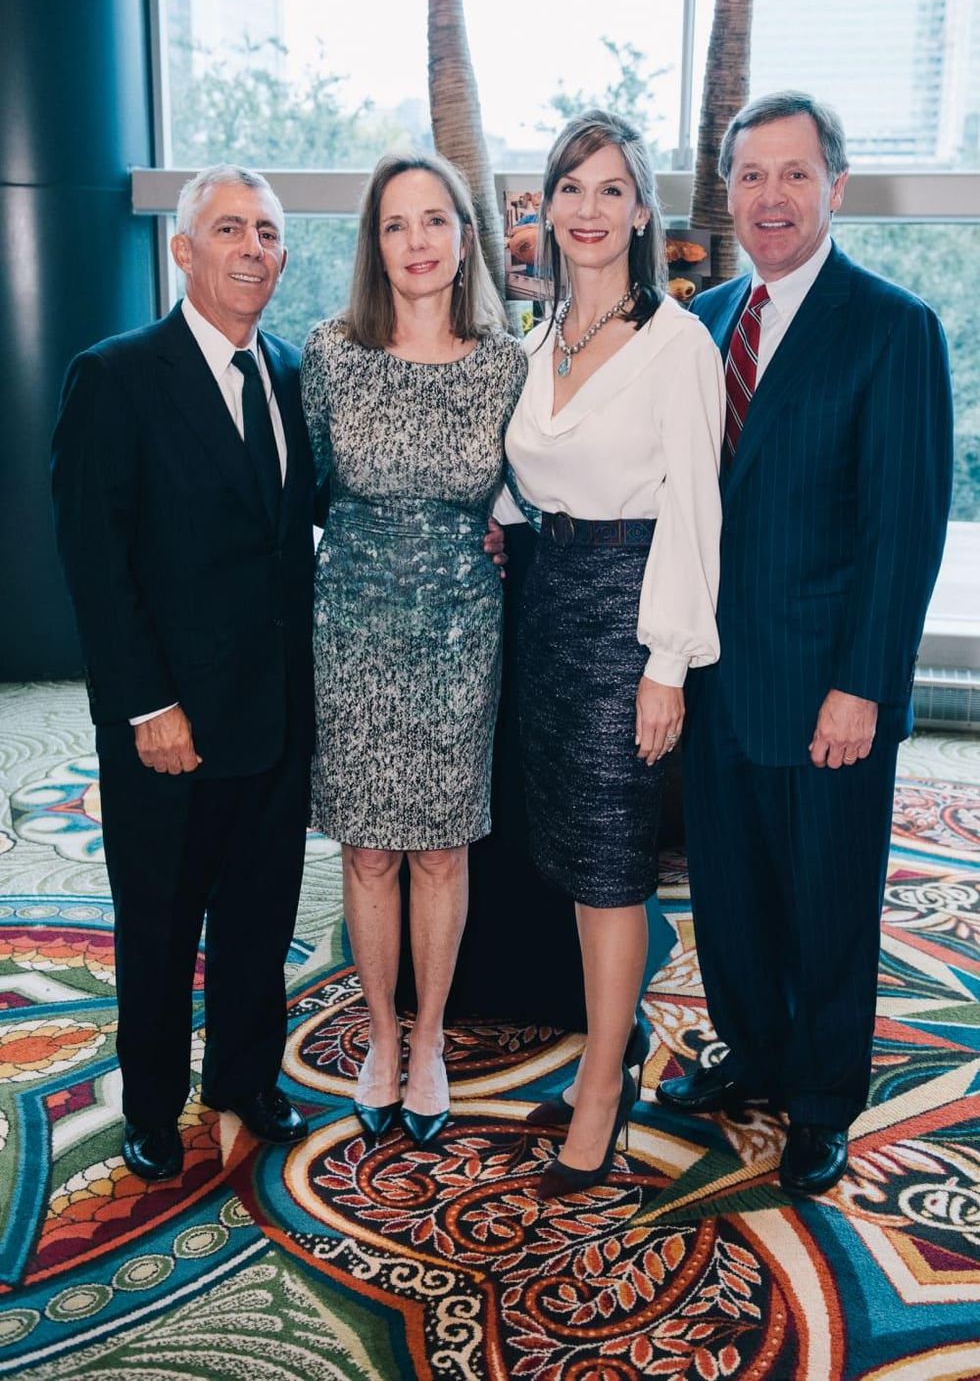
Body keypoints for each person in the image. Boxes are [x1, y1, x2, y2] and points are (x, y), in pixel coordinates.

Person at [655, 92, 954, 1198]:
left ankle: (823, 1098)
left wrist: (862, 685)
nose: (769, 196)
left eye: (793, 173)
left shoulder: (892, 327)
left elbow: (904, 528)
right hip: (713, 678)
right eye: (750, 175)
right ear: (727, 192)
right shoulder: (700, 321)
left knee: (828, 903)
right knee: (729, 896)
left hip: (829, 687)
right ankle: (753, 1052)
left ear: (835, 186)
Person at [51, 165, 314, 1182]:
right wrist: (146, 705)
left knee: (260, 914)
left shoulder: (287, 371)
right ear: (183, 249)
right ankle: (152, 1106)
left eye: (268, 232)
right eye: (230, 229)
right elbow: (95, 563)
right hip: (171, 722)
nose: (254, 249)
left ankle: (245, 1077)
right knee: (159, 926)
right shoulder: (115, 377)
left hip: (276, 713)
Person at [506, 109, 725, 1198]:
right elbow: (528, 476)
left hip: (628, 616)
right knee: (569, 852)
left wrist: (665, 665)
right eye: (570, 188)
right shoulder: (537, 337)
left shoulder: (676, 344)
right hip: (546, 609)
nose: (587, 210)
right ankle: (616, 1039)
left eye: (610, 190)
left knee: (608, 871)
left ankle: (601, 1089)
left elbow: (693, 510)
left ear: (642, 213)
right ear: (546, 206)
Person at [301, 152, 527, 1148]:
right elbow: (309, 485)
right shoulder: (331, 353)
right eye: (396, 224)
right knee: (366, 847)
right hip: (352, 627)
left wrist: (502, 534)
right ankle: (381, 1037)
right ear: (374, 244)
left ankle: (429, 1037)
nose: (417, 241)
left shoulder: (504, 362)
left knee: (439, 847)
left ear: (465, 238)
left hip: (459, 634)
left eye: (435, 220)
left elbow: (530, 485)